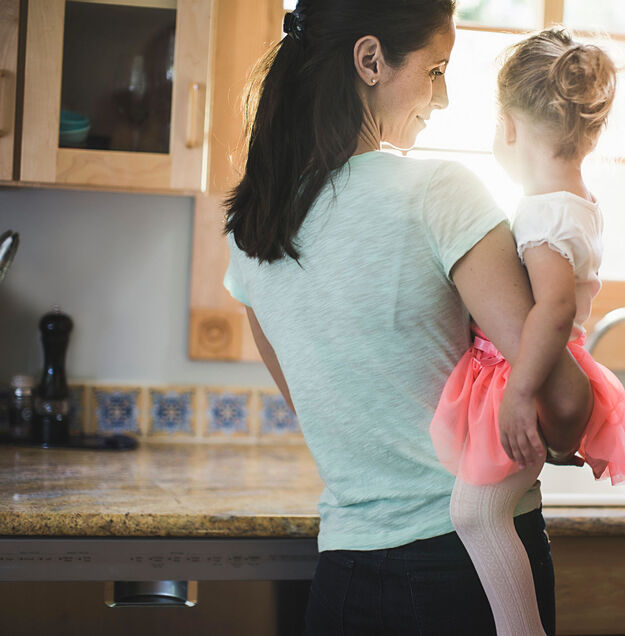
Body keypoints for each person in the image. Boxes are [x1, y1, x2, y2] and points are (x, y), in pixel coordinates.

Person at [221, 1, 592, 634]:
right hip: (466, 572)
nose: (442, 98)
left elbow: (323, 406)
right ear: (370, 60)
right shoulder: (438, 192)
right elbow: (562, 406)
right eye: (436, 69)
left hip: (341, 580)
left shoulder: (253, 234)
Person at [429, 28, 625, 635]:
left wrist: (521, 392)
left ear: (507, 126)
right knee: (483, 511)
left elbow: (552, 310)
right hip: (543, 370)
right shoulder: (577, 201)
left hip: (525, 375)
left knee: (475, 516)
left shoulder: (542, 212)